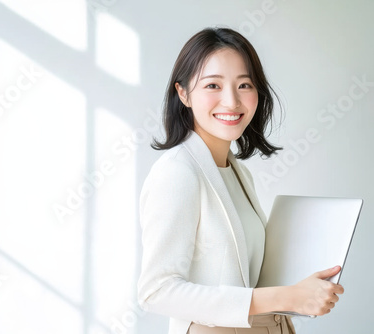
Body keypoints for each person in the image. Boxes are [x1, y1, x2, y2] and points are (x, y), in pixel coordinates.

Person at [137, 27, 344, 334]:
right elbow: (156, 291)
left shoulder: (236, 171)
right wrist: (286, 296)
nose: (232, 101)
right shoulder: (178, 172)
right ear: (183, 93)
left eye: (244, 85)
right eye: (212, 85)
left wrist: (302, 290)